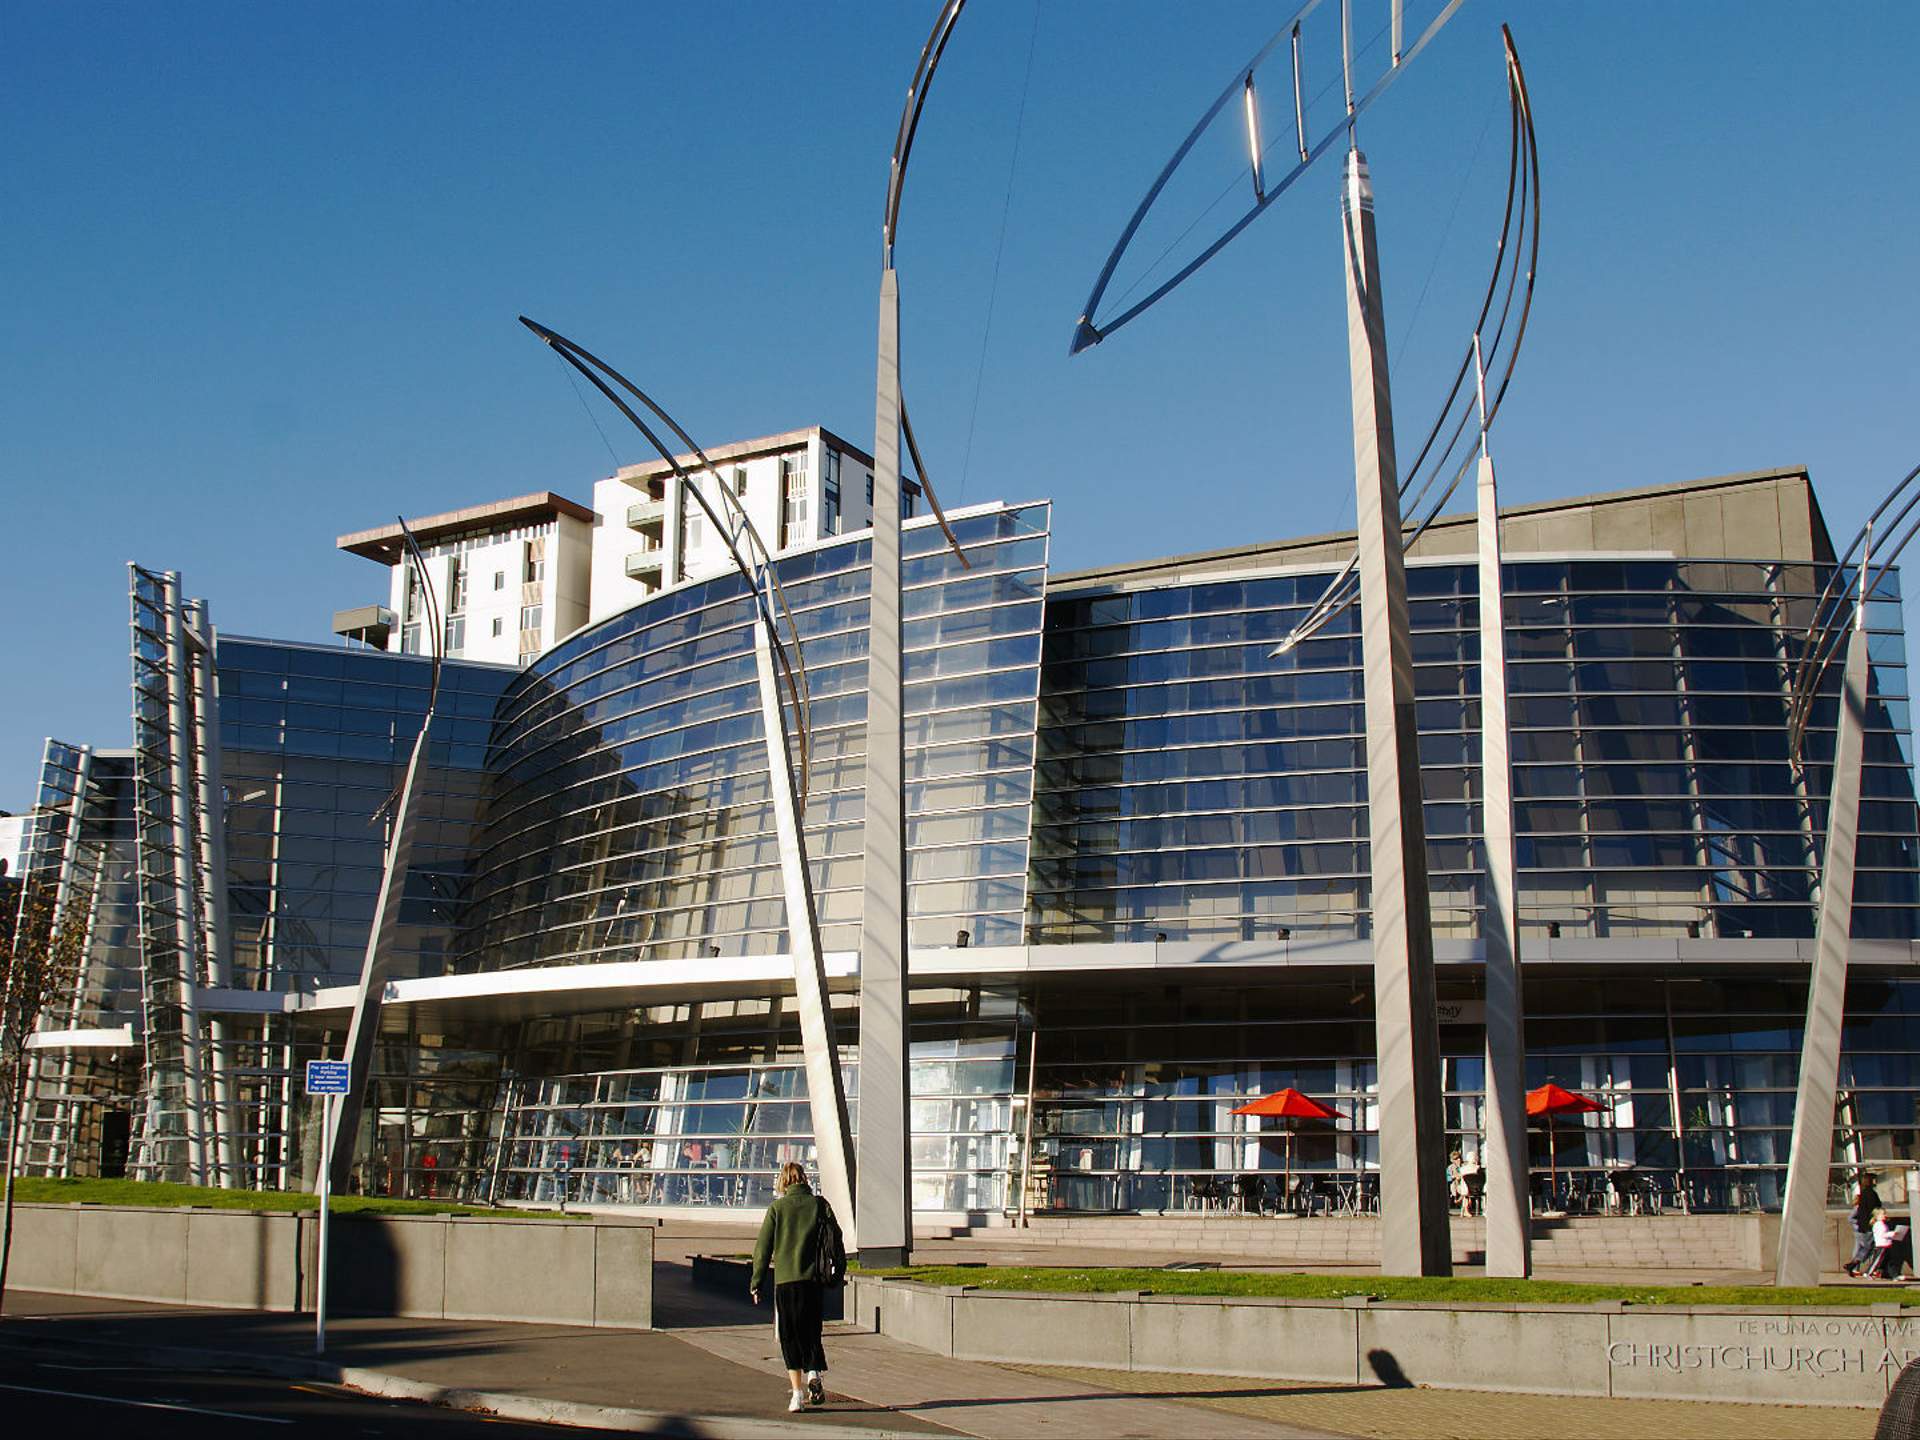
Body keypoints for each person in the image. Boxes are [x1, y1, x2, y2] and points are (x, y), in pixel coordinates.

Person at [749, 1161, 836, 1412]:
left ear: (783, 1181)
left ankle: (797, 1394)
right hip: (813, 1281)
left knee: (789, 1335)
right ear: (804, 1179)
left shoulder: (777, 1208)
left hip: (786, 1282)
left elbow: (762, 1250)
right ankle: (813, 1374)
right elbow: (835, 1237)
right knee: (811, 1331)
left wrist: (757, 1282)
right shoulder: (820, 1205)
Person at [1848, 1174, 1885, 1277]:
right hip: (1868, 1226)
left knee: (1863, 1248)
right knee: (1869, 1248)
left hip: (1863, 1226)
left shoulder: (1864, 1194)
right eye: (1874, 1180)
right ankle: (1857, 1266)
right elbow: (1874, 1210)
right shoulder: (1871, 1194)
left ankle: (1855, 1266)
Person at [1871, 1208, 1914, 1280]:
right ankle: (1870, 1273)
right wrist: (1892, 1233)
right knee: (1880, 1261)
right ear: (1877, 1216)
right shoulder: (1879, 1224)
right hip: (1883, 1245)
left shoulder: (1883, 1224)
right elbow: (1883, 1234)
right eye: (1883, 1214)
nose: (1886, 1215)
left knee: (1890, 1260)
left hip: (1887, 1244)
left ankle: (1892, 1274)